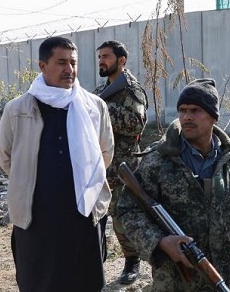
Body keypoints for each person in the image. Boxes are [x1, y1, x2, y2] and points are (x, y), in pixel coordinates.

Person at [117, 78, 230, 292]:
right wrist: (161, 241)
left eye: (196, 110)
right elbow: (128, 210)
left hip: (227, 280)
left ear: (213, 117)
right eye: (183, 110)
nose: (186, 117)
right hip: (176, 282)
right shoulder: (157, 161)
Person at [0, 36, 114, 292]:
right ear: (42, 65)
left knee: (85, 280)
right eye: (61, 63)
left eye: (73, 63)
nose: (69, 70)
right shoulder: (18, 109)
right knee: (38, 282)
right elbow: (6, 158)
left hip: (83, 213)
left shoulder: (94, 107)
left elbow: (105, 154)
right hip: (36, 215)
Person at [92, 40, 148, 284]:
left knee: (122, 217)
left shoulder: (131, 90)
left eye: (106, 56)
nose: (101, 61)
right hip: (99, 165)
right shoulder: (99, 91)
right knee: (95, 217)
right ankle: (96, 261)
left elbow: (136, 123)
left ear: (121, 60)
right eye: (99, 57)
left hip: (123, 166)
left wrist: (104, 110)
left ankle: (131, 261)